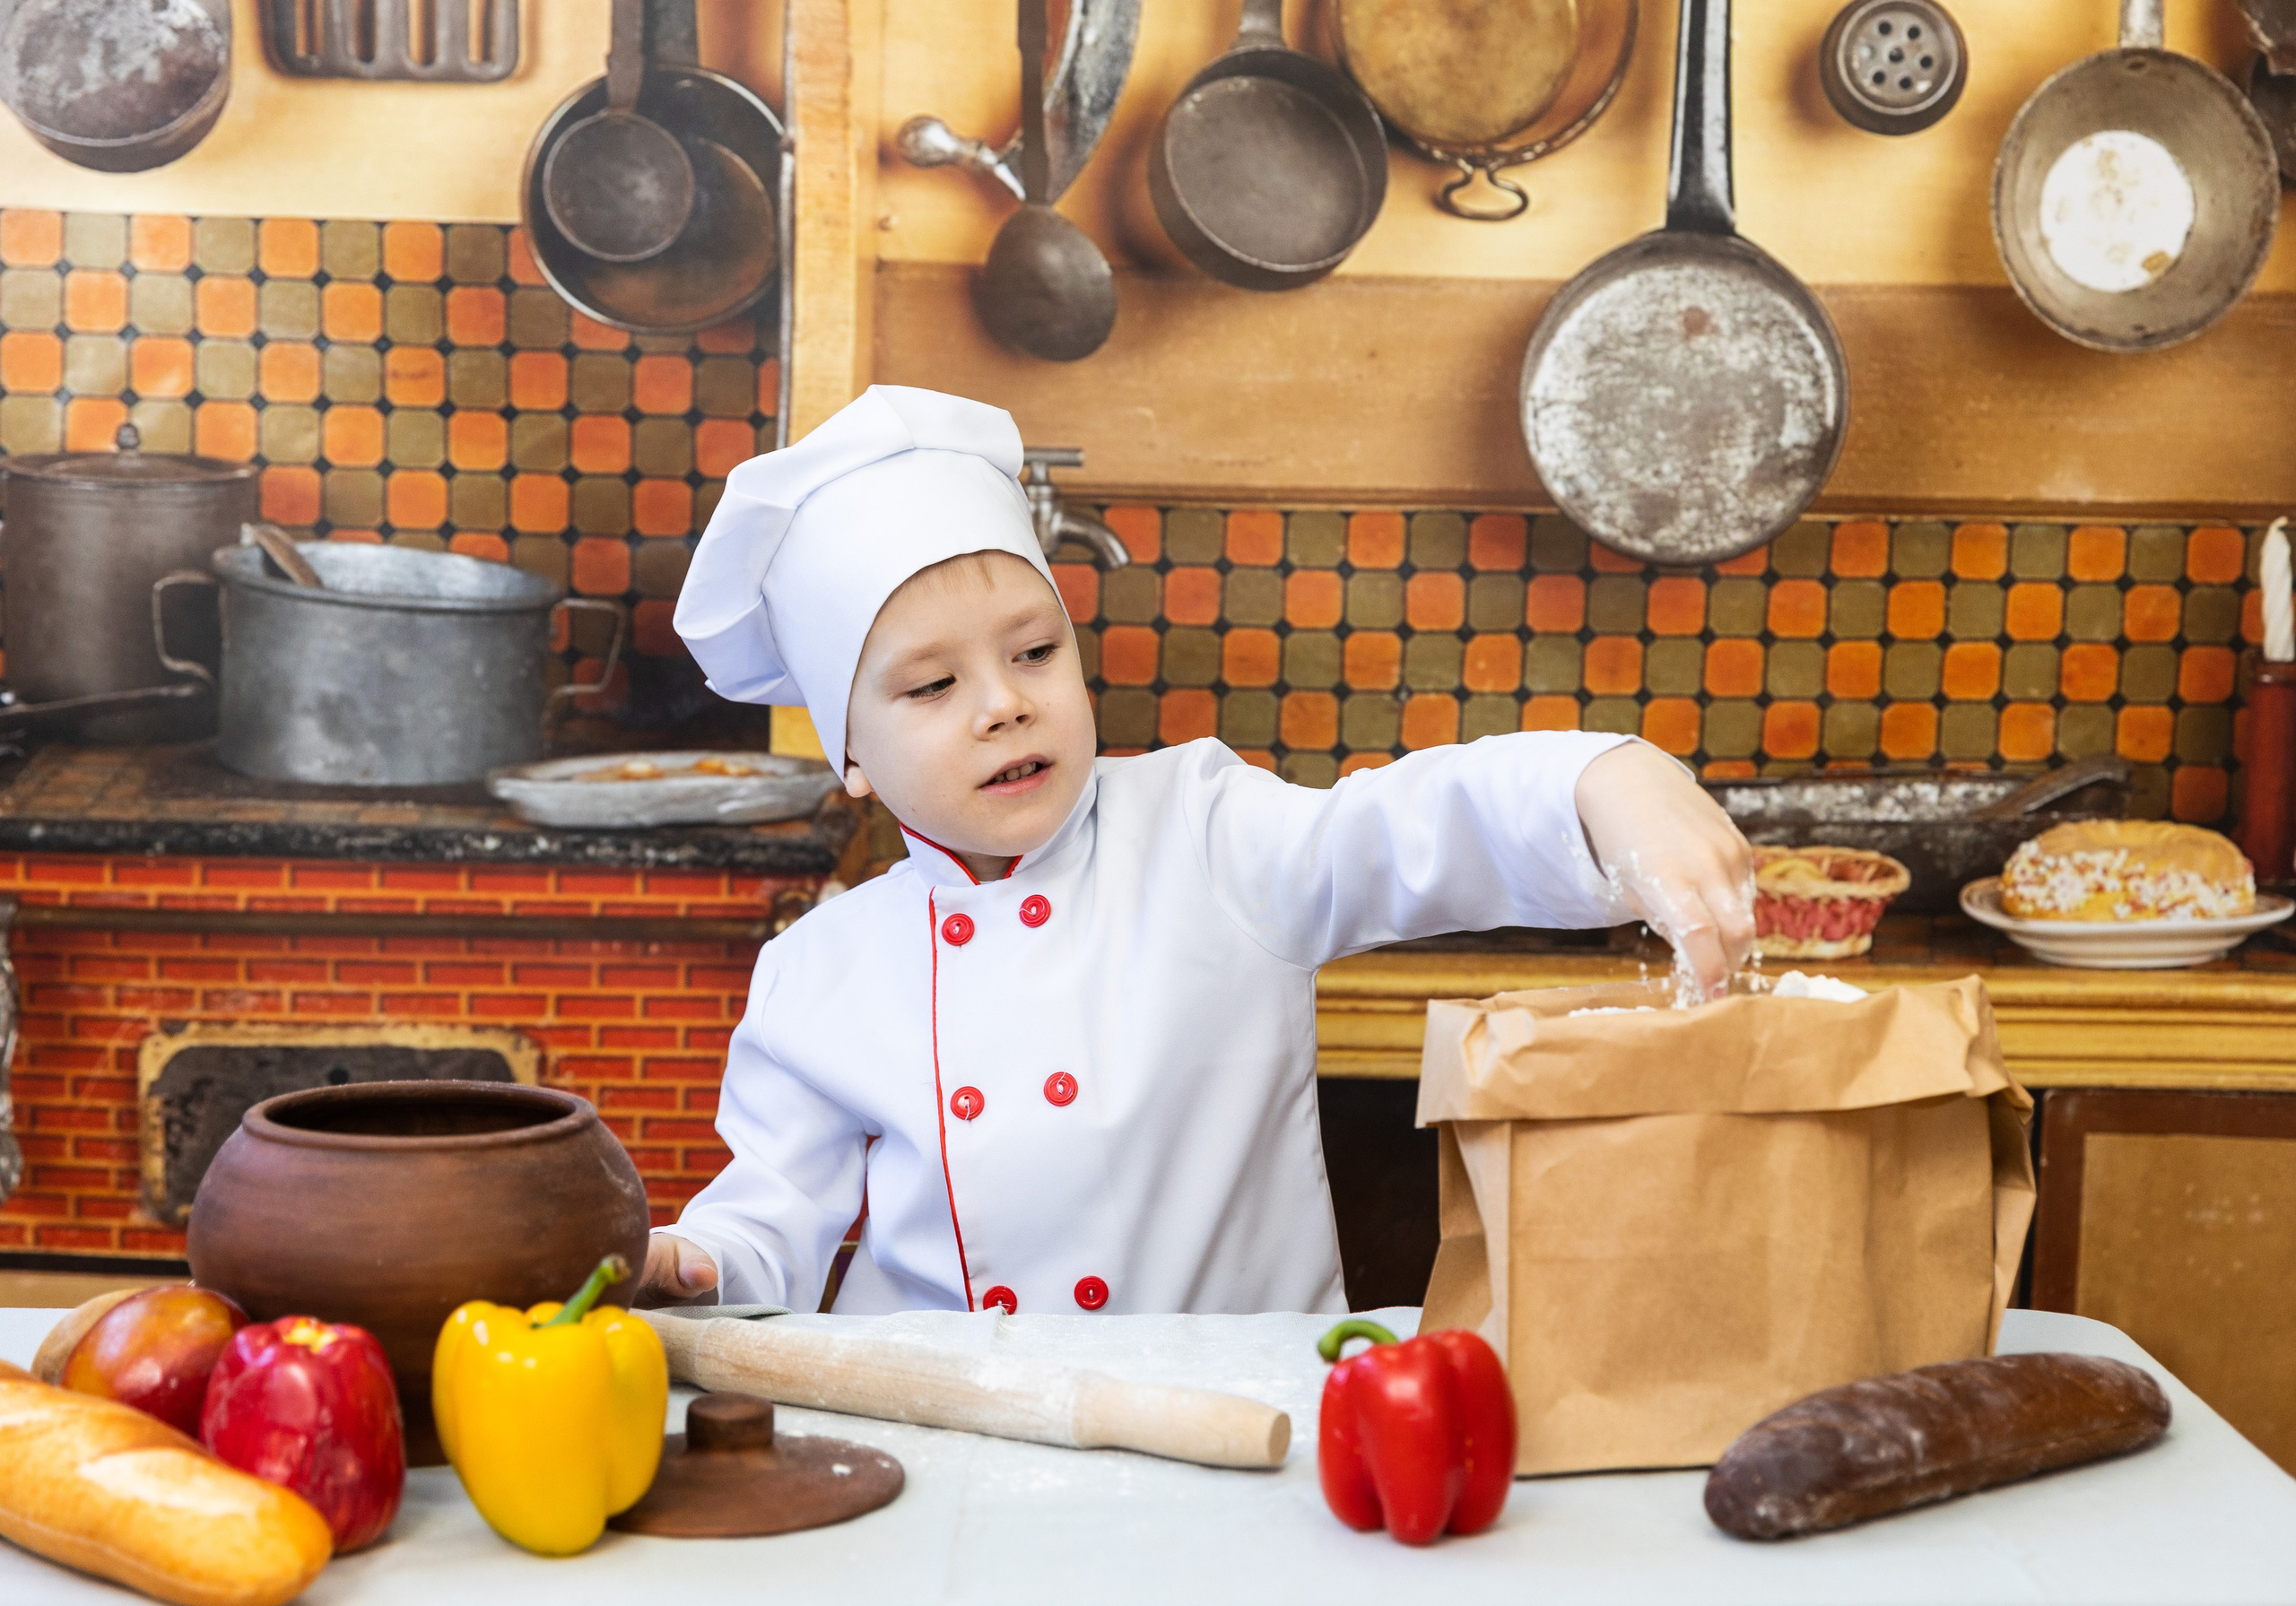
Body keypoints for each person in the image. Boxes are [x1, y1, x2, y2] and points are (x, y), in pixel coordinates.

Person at [639, 385, 1752, 1315]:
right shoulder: (823, 970)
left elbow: (1405, 824)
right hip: (965, 1442)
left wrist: (1599, 779)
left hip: (1238, 1432)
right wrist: (696, 1265)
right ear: (853, 757)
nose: (1002, 706)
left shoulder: (1205, 832)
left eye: (1034, 652)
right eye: (931, 685)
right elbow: (768, 1217)